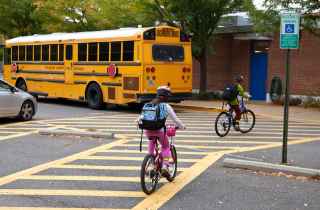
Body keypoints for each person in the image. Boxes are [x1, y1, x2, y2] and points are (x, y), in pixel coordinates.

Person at [135, 86, 185, 174]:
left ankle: (150, 158)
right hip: (160, 132)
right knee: (166, 146)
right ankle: (165, 164)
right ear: (168, 97)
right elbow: (175, 120)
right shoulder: (166, 106)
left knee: (151, 140)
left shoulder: (150, 104)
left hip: (147, 130)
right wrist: (181, 127)